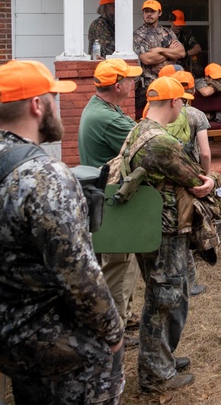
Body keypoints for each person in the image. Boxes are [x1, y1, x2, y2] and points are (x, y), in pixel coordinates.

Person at [0, 60, 124, 404]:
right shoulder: (47, 178)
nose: (57, 105)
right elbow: (81, 277)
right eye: (53, 98)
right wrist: (113, 335)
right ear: (37, 106)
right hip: (53, 342)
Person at [128, 76, 214, 394]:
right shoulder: (161, 142)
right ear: (175, 102)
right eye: (183, 101)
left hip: (148, 225)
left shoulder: (137, 130)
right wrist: (212, 181)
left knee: (161, 295)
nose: (184, 106)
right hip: (165, 228)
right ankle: (155, 374)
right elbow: (197, 180)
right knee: (163, 298)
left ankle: (162, 358)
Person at [78, 58, 144, 347]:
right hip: (110, 197)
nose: (134, 83)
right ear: (118, 86)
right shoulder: (106, 117)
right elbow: (144, 140)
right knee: (118, 262)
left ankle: (125, 315)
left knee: (124, 260)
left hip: (107, 195)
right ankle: (114, 326)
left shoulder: (102, 107)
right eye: (130, 79)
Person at [171, 71, 212, 297]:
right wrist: (206, 176)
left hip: (166, 175)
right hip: (190, 175)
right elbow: (205, 152)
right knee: (186, 229)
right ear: (192, 91)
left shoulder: (153, 111)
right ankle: (190, 282)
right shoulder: (196, 115)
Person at [133, 0, 186, 118]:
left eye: (152, 11)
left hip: (173, 82)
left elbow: (181, 53)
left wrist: (160, 50)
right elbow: (147, 59)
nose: (149, 14)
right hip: (153, 85)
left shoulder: (167, 32)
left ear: (159, 13)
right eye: (146, 11)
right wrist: (169, 50)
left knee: (178, 118)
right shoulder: (138, 35)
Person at [170, 10, 202, 75]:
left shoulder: (186, 36)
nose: (178, 27)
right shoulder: (163, 35)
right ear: (170, 21)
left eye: (180, 25)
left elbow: (198, 48)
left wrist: (185, 53)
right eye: (176, 25)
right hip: (168, 68)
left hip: (183, 69)